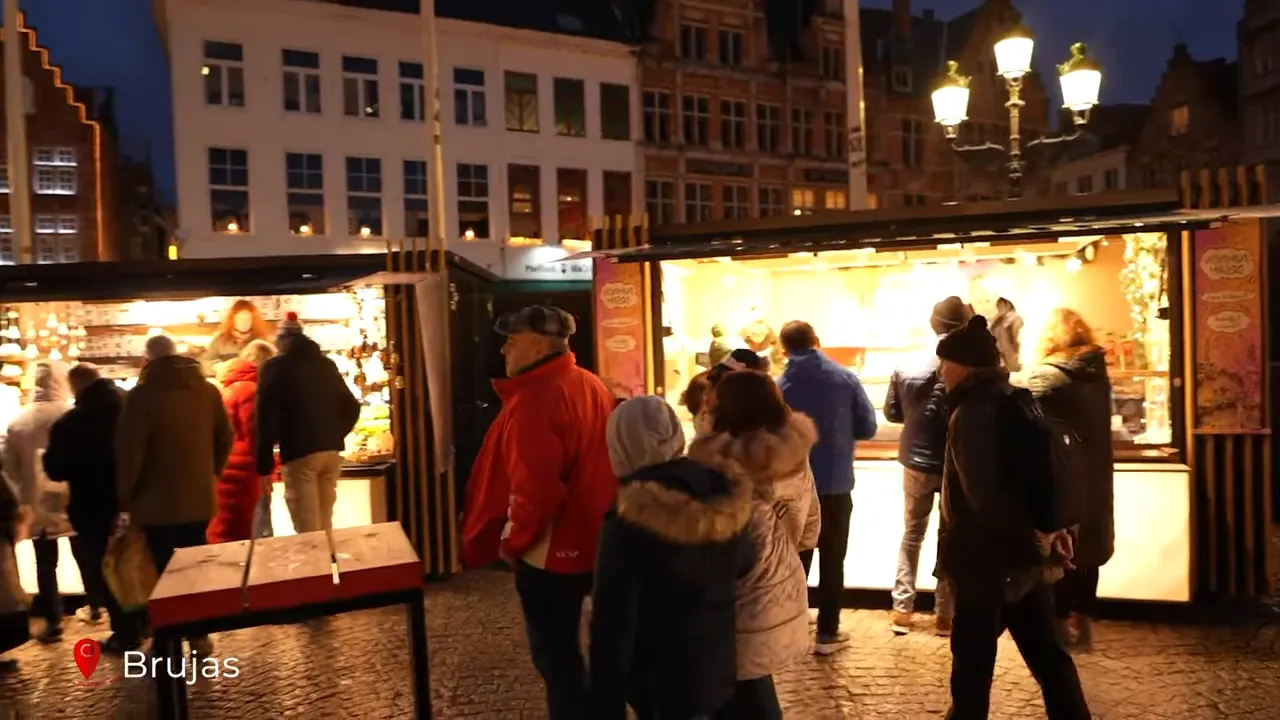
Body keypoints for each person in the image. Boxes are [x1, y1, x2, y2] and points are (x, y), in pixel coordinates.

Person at [461, 305, 616, 720]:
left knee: (560, 664)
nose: (504, 348)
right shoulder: (590, 383)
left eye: (512, 339)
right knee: (593, 662)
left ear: (538, 345)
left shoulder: (534, 399)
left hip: (554, 556)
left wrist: (514, 544)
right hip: (596, 546)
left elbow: (536, 490)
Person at [934, 316, 1090, 719]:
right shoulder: (1013, 398)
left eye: (944, 363)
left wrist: (1027, 540)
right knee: (1049, 658)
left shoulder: (970, 414)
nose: (940, 372)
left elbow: (984, 497)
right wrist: (1042, 535)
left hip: (985, 564)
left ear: (963, 366)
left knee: (972, 670)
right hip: (1025, 563)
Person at [589, 396, 754, 720]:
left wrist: (605, 702)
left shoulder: (630, 517)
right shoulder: (720, 490)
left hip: (661, 681)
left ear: (622, 445)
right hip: (715, 668)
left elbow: (613, 622)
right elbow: (745, 562)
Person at [687, 370, 820, 718]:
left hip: (743, 598)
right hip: (780, 587)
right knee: (751, 686)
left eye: (714, 405)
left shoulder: (723, 468)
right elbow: (811, 527)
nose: (707, 410)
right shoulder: (794, 456)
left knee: (743, 690)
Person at [116, 335, 233, 655]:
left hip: (157, 502)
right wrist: (212, 473)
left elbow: (131, 453)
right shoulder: (207, 391)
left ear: (148, 360)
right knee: (194, 567)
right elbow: (226, 436)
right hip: (198, 498)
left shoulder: (142, 396)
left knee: (164, 571)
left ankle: (168, 638)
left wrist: (124, 497)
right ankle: (198, 634)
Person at [776, 320, 877, 655]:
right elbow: (868, 426)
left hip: (794, 487)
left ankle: (790, 629)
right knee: (833, 559)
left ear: (784, 349)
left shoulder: (780, 387)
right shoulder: (845, 378)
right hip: (835, 484)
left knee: (796, 559)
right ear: (816, 341)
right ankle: (827, 633)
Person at [1022, 309, 1114, 651]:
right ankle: (1085, 627)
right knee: (1089, 550)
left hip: (1061, 473)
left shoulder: (1048, 375)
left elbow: (1028, 421)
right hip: (1096, 474)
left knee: (1061, 549)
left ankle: (1060, 627)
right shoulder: (1097, 375)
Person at [884, 297, 972, 636]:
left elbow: (892, 413)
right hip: (954, 460)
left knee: (912, 532)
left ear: (933, 324)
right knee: (949, 535)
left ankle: (901, 610)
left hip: (916, 460)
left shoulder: (907, 363)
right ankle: (944, 614)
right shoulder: (968, 365)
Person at [42, 364, 132, 649]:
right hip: (132, 500)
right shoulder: (130, 406)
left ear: (74, 387)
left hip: (91, 506)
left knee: (104, 569)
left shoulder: (70, 423)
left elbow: (55, 470)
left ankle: (125, 631)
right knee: (135, 564)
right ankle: (145, 624)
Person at [255, 313, 360, 534]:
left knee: (308, 529)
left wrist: (264, 465)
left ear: (281, 341)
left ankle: (317, 557)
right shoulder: (326, 364)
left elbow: (266, 417)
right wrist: (334, 433)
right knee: (325, 523)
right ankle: (329, 556)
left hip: (299, 453)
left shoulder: (274, 367)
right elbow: (352, 406)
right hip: (331, 452)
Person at [2, 360, 71, 643]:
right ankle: (96, 607)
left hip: (36, 504)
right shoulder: (70, 414)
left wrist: (21, 499)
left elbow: (8, 467)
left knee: (45, 562)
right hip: (72, 499)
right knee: (86, 555)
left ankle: (54, 619)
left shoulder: (18, 421)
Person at [209, 340, 277, 544]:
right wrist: (266, 470)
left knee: (228, 526)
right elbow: (255, 435)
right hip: (245, 471)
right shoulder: (250, 390)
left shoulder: (228, 387)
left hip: (228, 465)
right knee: (250, 530)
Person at [201, 299, 272, 376]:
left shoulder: (261, 341)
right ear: (233, 320)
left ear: (253, 321)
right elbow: (204, 363)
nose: (244, 323)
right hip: (226, 380)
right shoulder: (220, 340)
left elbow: (271, 364)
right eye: (240, 319)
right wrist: (217, 366)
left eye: (248, 319)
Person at [990, 297, 1025, 372]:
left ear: (1008, 305)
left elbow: (1017, 338)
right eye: (998, 306)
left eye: (1000, 305)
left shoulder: (1015, 319)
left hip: (1009, 354)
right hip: (1000, 355)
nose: (999, 308)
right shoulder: (998, 320)